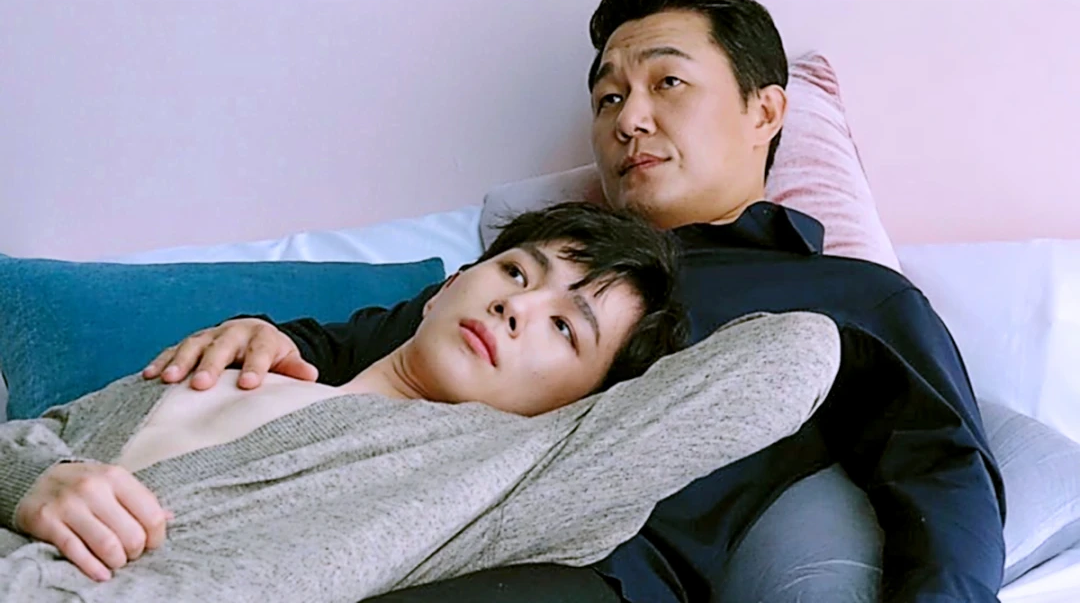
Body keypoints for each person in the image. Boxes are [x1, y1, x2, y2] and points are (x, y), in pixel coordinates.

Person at [144, 0, 1007, 602]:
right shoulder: (534, 269)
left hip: (589, 572)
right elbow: (366, 344)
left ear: (765, 110)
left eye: (667, 84)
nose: (628, 120)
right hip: (379, 515)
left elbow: (942, 473)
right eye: (609, 98)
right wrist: (263, 335)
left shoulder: (847, 298)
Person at [2, 203, 845, 601]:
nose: (518, 306)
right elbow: (29, 437)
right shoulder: (219, 366)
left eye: (565, 328)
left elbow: (798, 350)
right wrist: (29, 481)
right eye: (515, 272)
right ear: (447, 288)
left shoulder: (510, 475)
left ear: (582, 404)